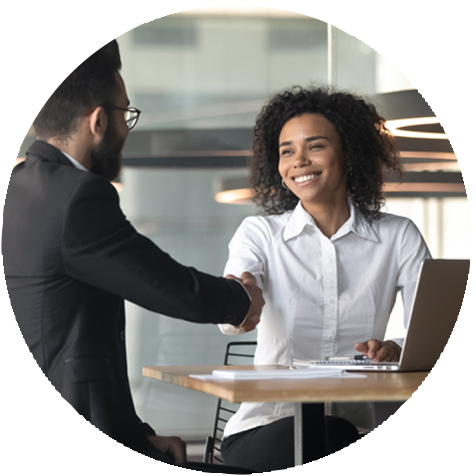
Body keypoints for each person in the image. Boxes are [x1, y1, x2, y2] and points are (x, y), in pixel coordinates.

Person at [2, 40, 264, 473]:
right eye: (126, 114)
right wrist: (241, 300)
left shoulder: (21, 185)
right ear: (99, 121)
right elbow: (165, 284)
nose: (128, 127)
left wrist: (137, 433)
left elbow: (74, 333)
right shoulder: (77, 196)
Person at [219, 86, 431, 471]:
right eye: (287, 151)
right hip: (266, 428)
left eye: (314, 146)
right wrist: (240, 300)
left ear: (349, 151)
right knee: (333, 436)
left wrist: (397, 348)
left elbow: (433, 335)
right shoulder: (260, 233)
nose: (299, 161)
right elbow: (232, 302)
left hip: (363, 430)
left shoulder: (399, 236)